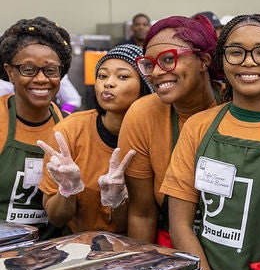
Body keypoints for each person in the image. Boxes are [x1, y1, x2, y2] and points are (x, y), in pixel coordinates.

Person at [161, 14, 260, 270]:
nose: (248, 61)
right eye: (236, 52)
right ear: (223, 62)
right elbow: (180, 225)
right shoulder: (198, 126)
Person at [118, 15, 223, 245]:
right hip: (171, 254)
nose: (155, 73)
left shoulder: (234, 108)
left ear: (204, 61)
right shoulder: (143, 115)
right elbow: (142, 213)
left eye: (168, 59)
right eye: (149, 64)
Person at [37, 44, 153, 234]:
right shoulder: (69, 131)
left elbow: (140, 223)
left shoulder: (154, 137)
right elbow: (57, 219)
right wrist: (67, 190)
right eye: (102, 76)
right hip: (78, 248)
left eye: (122, 76)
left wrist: (117, 201)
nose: (108, 83)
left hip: (130, 250)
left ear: (145, 87)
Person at [0, 17, 72, 239]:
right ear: (10, 72)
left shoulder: (71, 127)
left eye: (51, 70)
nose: (41, 79)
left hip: (51, 255)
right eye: (28, 69)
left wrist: (69, 189)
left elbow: (63, 217)